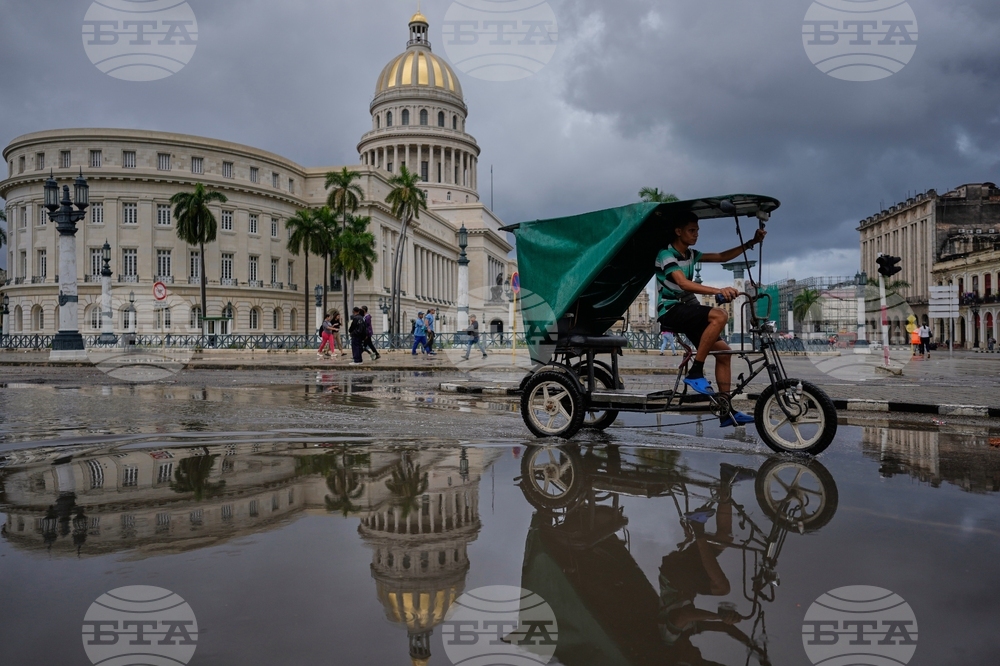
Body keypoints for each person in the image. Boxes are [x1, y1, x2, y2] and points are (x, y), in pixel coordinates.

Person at [655, 210, 766, 427]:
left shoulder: (691, 254)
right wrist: (718, 290)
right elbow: (684, 284)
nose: (696, 234)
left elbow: (723, 257)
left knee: (724, 353)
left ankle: (726, 410)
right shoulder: (665, 255)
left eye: (697, 230)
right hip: (669, 310)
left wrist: (752, 242)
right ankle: (696, 371)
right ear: (678, 232)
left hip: (686, 309)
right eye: (691, 230)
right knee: (720, 314)